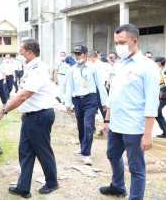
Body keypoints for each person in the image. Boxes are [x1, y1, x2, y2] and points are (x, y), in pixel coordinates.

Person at [99, 24, 159, 200]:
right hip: (116, 124)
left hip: (134, 127)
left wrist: (147, 134)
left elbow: (151, 103)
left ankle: (135, 197)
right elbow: (113, 96)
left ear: (134, 40)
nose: (119, 46)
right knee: (112, 154)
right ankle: (118, 186)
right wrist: (107, 120)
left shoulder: (148, 67)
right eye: (116, 43)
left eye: (122, 42)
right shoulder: (119, 64)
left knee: (136, 167)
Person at [0, 39, 58, 198]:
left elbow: (24, 95)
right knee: (25, 152)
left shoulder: (38, 68)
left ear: (29, 51)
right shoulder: (30, 66)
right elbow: (22, 94)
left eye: (21, 50)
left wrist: (3, 111)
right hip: (31, 116)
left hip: (39, 116)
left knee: (42, 151)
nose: (19, 53)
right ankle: (23, 187)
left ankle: (52, 182)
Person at [65, 45, 108, 166]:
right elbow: (69, 86)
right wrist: (68, 103)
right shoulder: (72, 69)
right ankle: (83, 146)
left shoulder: (93, 68)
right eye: (76, 54)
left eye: (79, 54)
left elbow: (100, 85)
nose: (77, 56)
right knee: (81, 126)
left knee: (88, 125)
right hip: (77, 100)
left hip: (90, 99)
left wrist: (104, 103)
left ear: (85, 54)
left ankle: (86, 154)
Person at [154, 56, 166, 138]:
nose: (156, 64)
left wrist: (162, 91)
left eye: (157, 62)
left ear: (161, 62)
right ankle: (165, 131)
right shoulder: (159, 70)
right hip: (161, 91)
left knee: (157, 111)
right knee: (157, 112)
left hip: (164, 91)